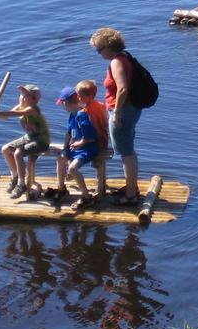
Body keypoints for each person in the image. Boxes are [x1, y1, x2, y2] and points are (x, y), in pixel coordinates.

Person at [89, 27, 141, 206]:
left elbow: (123, 88)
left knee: (125, 153)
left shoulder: (116, 62)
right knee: (129, 150)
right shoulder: (126, 56)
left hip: (123, 111)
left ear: (108, 47)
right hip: (132, 109)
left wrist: (116, 113)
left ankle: (131, 195)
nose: (98, 53)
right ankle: (131, 187)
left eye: (99, 49)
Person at [0, 84, 50, 200]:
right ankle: (15, 176)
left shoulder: (31, 109)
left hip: (41, 140)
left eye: (26, 96)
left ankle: (21, 184)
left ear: (34, 99)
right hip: (29, 137)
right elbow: (6, 117)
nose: (22, 98)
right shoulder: (21, 106)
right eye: (21, 95)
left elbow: (14, 114)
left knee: (18, 153)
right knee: (6, 149)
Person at [53, 86, 98, 211]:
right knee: (60, 158)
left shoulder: (81, 115)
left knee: (72, 168)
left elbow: (90, 137)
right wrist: (65, 148)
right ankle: (62, 189)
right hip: (76, 147)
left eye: (62, 104)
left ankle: (86, 196)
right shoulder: (72, 115)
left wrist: (80, 143)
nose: (63, 106)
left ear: (66, 103)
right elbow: (68, 133)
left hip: (87, 148)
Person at [76, 79, 110, 200]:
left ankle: (99, 185)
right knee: (98, 163)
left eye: (80, 96)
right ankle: (102, 182)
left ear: (89, 96)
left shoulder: (86, 112)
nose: (78, 98)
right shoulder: (100, 105)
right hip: (104, 138)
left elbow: (89, 128)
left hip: (96, 141)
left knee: (93, 159)